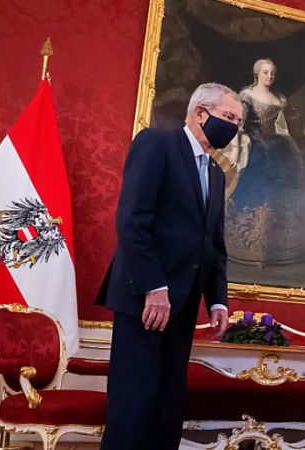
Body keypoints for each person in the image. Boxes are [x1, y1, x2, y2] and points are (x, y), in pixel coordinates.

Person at [96, 83, 239, 450]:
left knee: (167, 410)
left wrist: (217, 300)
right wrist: (153, 287)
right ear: (199, 113)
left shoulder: (216, 173)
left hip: (183, 305)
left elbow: (213, 245)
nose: (234, 126)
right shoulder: (156, 145)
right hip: (145, 300)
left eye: (238, 120)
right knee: (134, 407)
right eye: (228, 117)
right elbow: (132, 221)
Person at [220, 58, 305, 268]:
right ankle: (249, 248)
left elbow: (295, 125)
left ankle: (281, 249)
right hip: (255, 148)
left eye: (272, 73)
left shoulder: (279, 99)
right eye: (265, 72)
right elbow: (238, 124)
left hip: (280, 148)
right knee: (258, 188)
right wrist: (236, 143)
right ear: (257, 74)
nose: (269, 76)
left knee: (289, 190)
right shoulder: (247, 96)